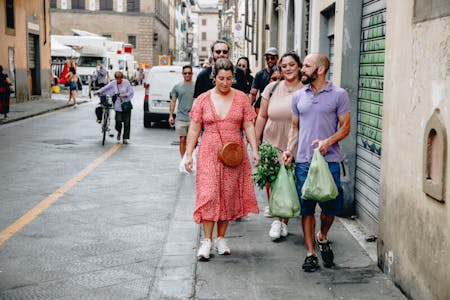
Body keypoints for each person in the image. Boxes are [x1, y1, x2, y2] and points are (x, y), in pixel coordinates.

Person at [184, 58, 260, 261]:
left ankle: (221, 238)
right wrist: (188, 154)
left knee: (227, 195)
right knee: (209, 195)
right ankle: (207, 241)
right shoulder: (202, 99)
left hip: (233, 155)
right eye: (221, 79)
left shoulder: (242, 98)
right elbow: (194, 128)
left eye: (229, 78)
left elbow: (249, 125)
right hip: (209, 152)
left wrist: (255, 150)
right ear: (213, 77)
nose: (225, 83)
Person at [283, 53, 351, 272]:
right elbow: (295, 127)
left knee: (330, 206)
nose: (302, 69)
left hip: (329, 161)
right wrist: (289, 150)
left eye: (307, 66)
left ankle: (322, 236)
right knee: (307, 208)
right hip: (303, 161)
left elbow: (345, 127)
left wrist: (327, 142)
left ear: (320, 70)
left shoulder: (339, 95)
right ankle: (311, 253)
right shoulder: (298, 96)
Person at [255, 52, 303, 238]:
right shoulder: (271, 88)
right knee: (272, 180)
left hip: (295, 139)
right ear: (279, 69)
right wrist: (256, 143)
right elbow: (262, 116)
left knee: (288, 180)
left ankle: (285, 220)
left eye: (292, 65)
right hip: (271, 139)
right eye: (284, 66)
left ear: (298, 66)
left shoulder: (306, 89)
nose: (288, 68)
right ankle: (277, 219)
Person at [94, 71, 134, 144]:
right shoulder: (114, 83)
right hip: (118, 105)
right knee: (118, 121)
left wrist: (125, 94)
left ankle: (125, 138)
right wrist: (97, 92)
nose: (118, 80)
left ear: (122, 78)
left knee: (127, 122)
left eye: (119, 78)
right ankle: (119, 131)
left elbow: (131, 92)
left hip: (126, 105)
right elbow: (105, 88)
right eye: (116, 78)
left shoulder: (126, 82)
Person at [169, 65, 196, 157]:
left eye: (189, 73)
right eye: (185, 73)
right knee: (182, 139)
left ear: (192, 74)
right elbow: (173, 102)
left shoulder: (196, 86)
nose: (187, 75)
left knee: (193, 141)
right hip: (181, 118)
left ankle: (190, 157)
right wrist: (171, 116)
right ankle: (183, 160)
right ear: (182, 74)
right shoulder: (177, 87)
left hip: (193, 118)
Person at [249, 47, 279, 115]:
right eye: (267, 58)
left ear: (277, 58)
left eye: (272, 58)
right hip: (261, 105)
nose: (270, 60)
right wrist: (248, 108)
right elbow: (253, 93)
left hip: (276, 105)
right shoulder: (260, 74)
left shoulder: (281, 73)